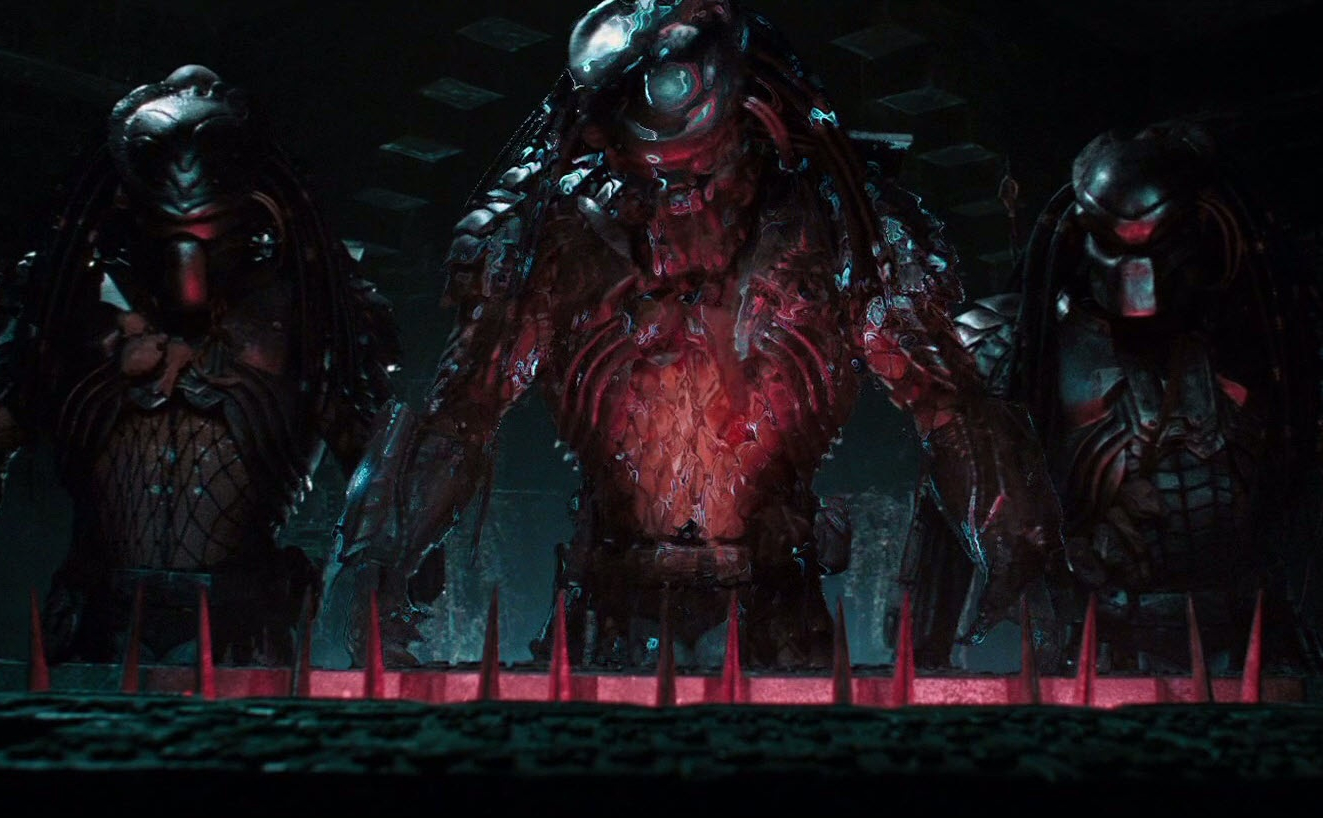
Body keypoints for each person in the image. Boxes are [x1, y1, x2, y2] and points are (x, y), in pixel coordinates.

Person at [323, 0, 1061, 669]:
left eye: (695, 177)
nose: (672, 205)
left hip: (776, 607)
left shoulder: (834, 226)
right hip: (607, 606)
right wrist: (376, 556)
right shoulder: (559, 234)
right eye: (645, 178)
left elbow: (949, 406)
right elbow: (461, 409)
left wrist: (1018, 552)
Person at [0, 65, 400, 666]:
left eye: (211, 237)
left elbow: (382, 470)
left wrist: (383, 590)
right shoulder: (67, 304)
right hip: (94, 623)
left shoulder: (307, 310)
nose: (188, 263)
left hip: (243, 625)